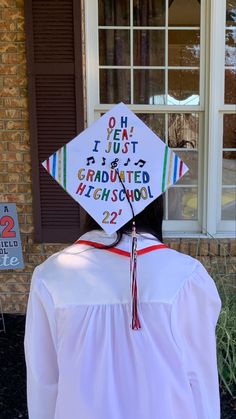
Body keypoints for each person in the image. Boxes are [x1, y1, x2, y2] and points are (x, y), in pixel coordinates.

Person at [24, 103, 221, 418]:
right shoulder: (185, 277)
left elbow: (44, 384)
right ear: (155, 202)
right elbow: (200, 381)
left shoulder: (51, 277)